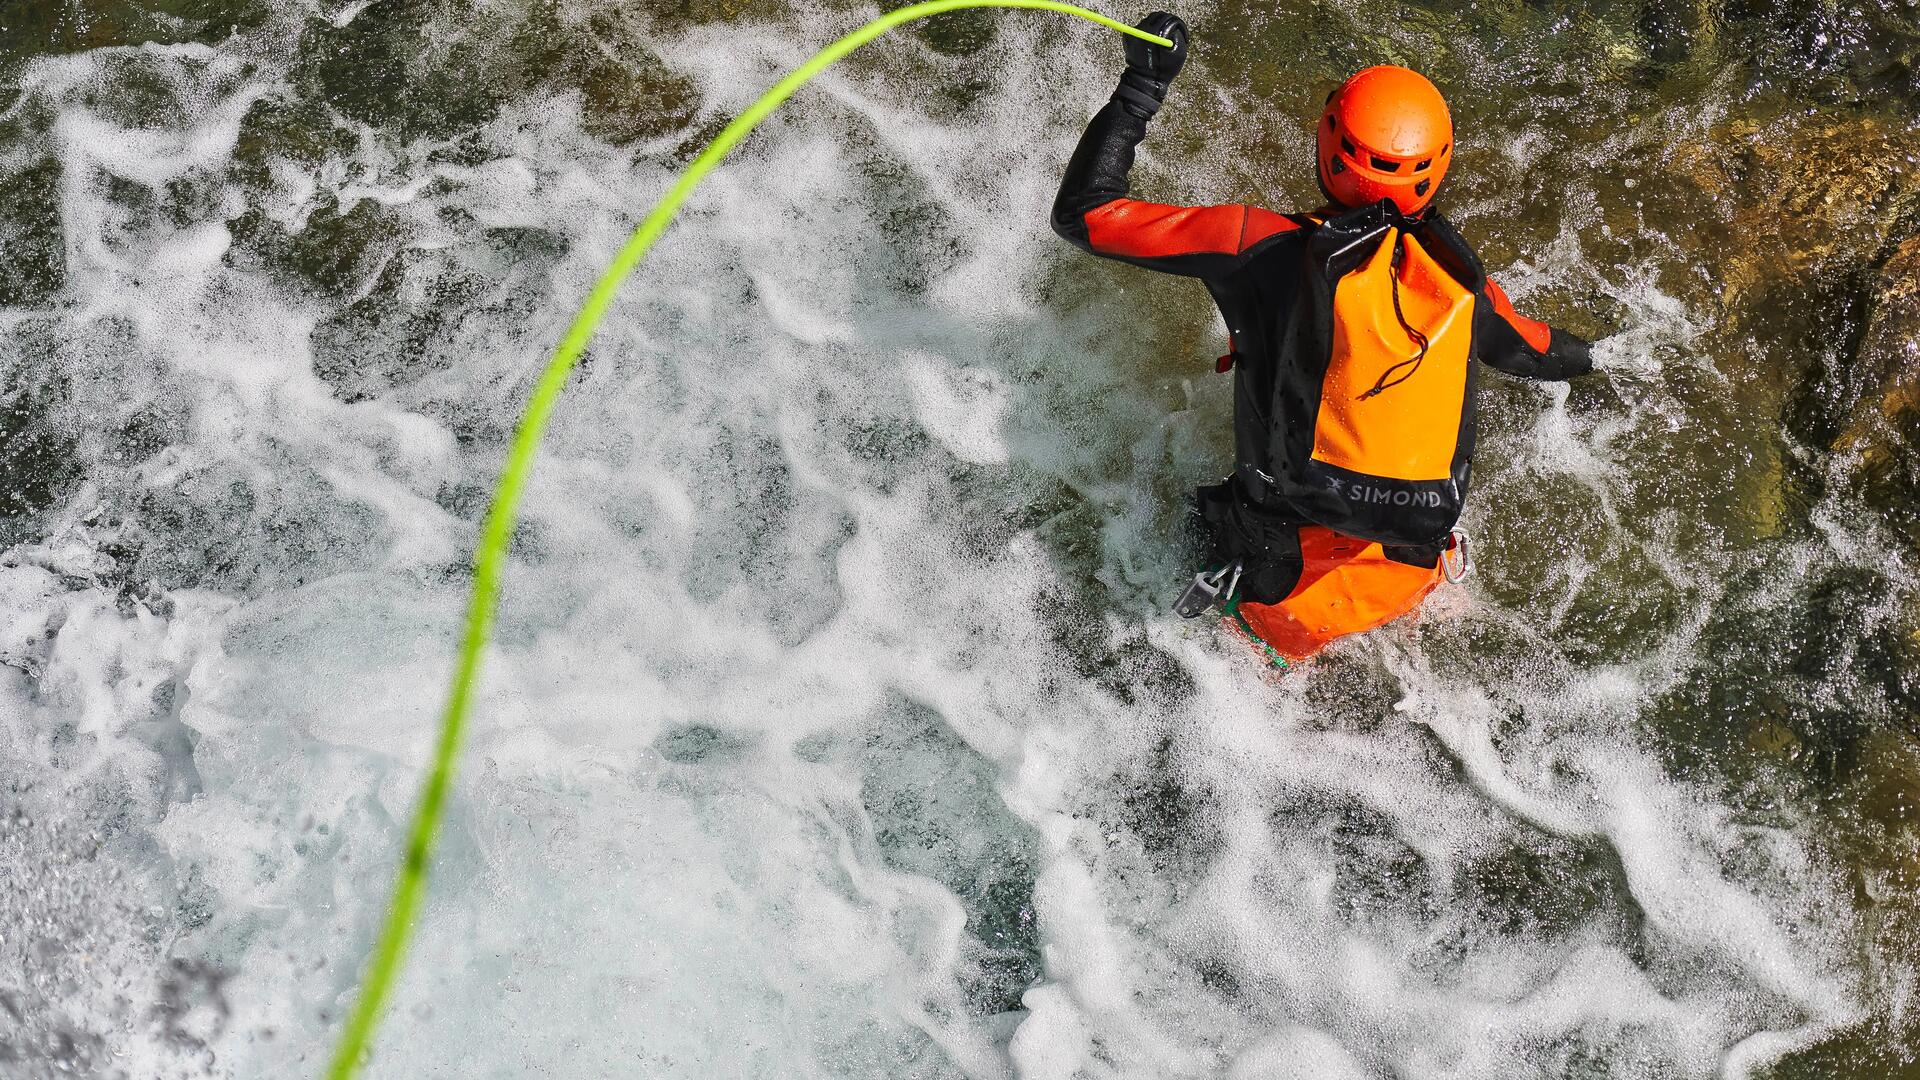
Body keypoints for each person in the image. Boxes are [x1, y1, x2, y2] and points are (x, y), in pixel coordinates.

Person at [1051, 12, 1595, 665]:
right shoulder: (1456, 286)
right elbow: (1541, 354)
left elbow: (1086, 213)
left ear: (1326, 146)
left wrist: (1143, 86)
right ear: (1436, 169)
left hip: (1281, 585)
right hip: (1412, 568)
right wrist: (1612, 357)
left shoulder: (1253, 244)